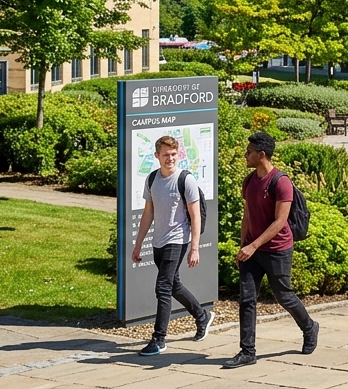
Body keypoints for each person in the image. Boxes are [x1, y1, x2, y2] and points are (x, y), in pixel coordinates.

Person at [224, 131, 317, 369]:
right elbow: (247, 215)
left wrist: (254, 245)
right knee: (246, 299)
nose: (245, 155)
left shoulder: (281, 182)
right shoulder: (249, 181)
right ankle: (247, 352)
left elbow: (280, 222)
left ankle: (309, 327)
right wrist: (243, 245)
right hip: (252, 251)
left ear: (261, 154)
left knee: (283, 296)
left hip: (277, 249)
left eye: (249, 151)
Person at [132, 135, 211, 356]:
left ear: (179, 155)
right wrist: (138, 245)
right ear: (156, 156)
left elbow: (195, 216)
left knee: (163, 287)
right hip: (159, 242)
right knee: (173, 284)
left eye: (174, 154)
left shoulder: (186, 180)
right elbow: (148, 213)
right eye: (166, 155)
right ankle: (201, 315)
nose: (170, 158)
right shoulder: (152, 179)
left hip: (178, 240)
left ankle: (159, 339)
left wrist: (194, 247)